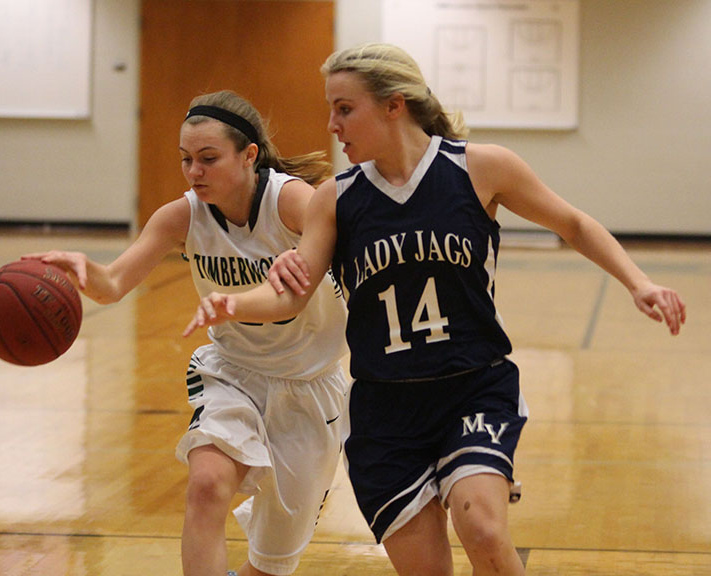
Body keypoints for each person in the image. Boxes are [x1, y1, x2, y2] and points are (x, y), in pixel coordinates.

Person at [184, 43, 687, 576]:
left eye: (344, 108)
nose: (331, 124)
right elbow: (293, 292)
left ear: (394, 105)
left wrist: (639, 282)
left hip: (473, 387)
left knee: (484, 528)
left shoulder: (480, 168)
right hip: (386, 410)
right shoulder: (334, 199)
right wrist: (231, 302)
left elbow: (574, 224)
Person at [23, 90, 349, 576]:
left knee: (272, 563)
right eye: (186, 160)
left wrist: (306, 256)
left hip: (311, 385)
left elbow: (355, 244)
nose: (194, 172)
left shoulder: (290, 202)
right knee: (207, 486)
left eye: (208, 159)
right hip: (234, 374)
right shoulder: (183, 215)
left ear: (249, 155)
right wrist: (83, 269)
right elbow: (113, 284)